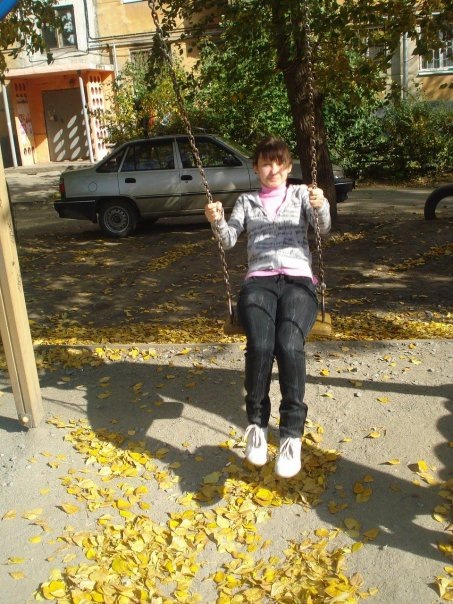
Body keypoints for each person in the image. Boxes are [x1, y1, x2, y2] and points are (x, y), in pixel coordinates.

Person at [205, 136, 331, 478]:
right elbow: (228, 240)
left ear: (288, 167)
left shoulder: (302, 194)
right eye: (265, 163)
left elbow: (323, 229)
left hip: (299, 282)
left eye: (278, 163)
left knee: (288, 344)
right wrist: (217, 219)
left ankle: (291, 435)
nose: (272, 169)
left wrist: (321, 204)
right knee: (261, 345)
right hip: (259, 283)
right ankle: (257, 427)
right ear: (256, 168)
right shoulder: (246, 202)